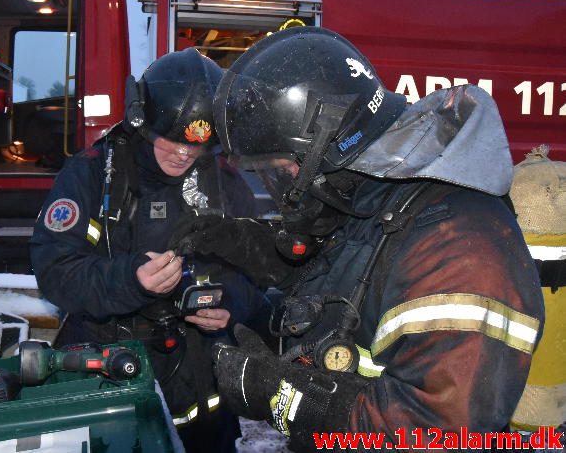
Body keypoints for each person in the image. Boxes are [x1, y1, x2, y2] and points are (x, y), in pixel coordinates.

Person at [170, 27, 545, 451]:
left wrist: (278, 394)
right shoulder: (376, 198)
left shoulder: (459, 247)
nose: (282, 189)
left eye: (281, 171)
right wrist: (247, 258)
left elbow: (436, 434)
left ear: (326, 145)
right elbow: (341, 297)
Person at [29, 48, 267, 453]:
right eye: (171, 140)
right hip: (108, 380)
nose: (183, 153)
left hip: (201, 393)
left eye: (196, 147)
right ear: (142, 120)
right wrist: (131, 280)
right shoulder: (91, 174)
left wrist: (232, 305)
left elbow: (255, 272)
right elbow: (54, 271)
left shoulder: (225, 183)